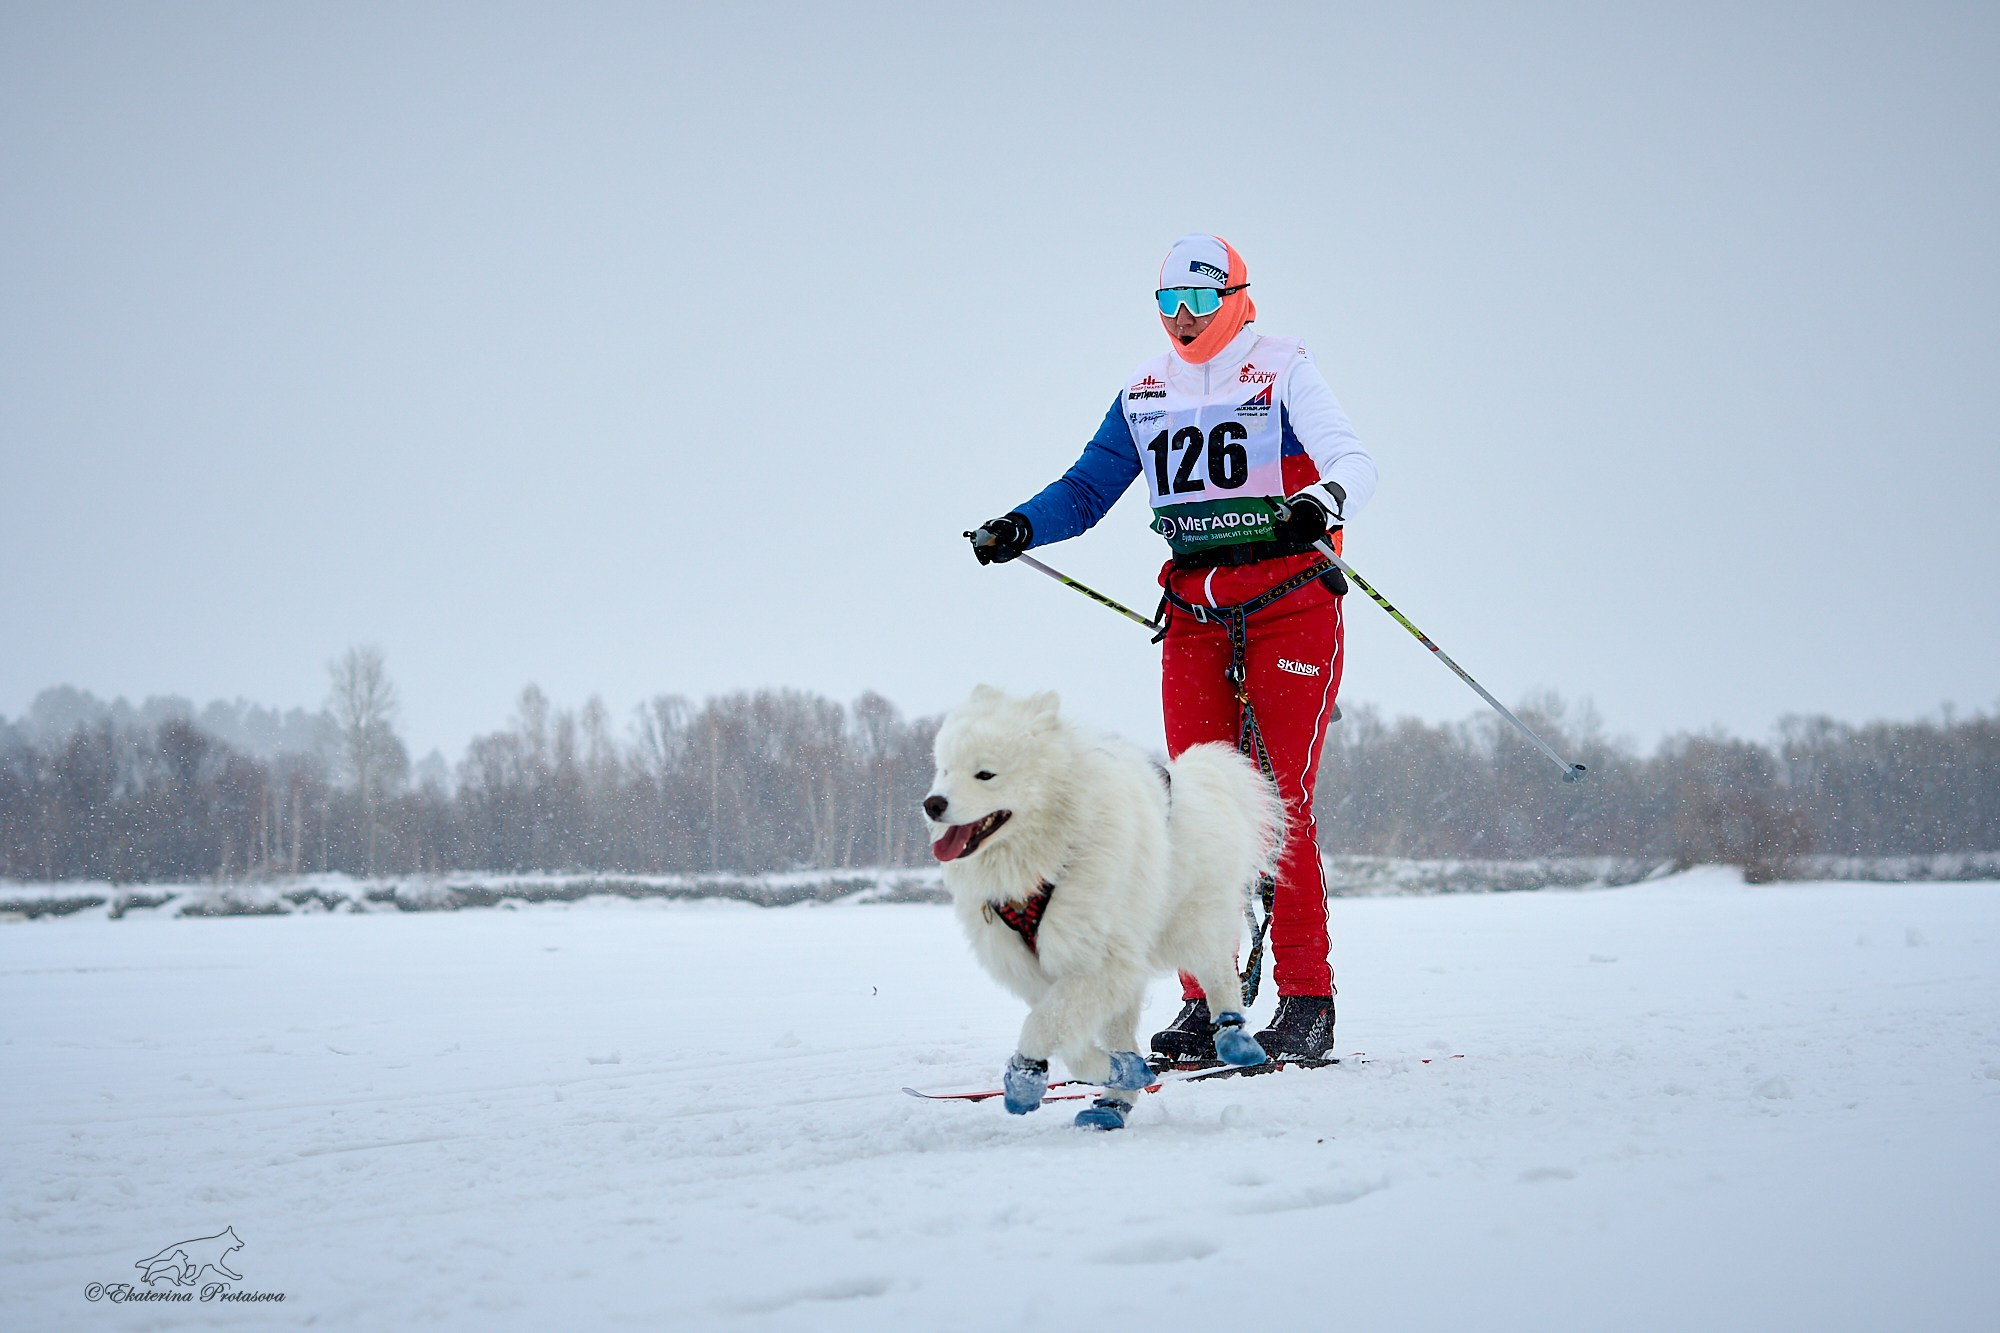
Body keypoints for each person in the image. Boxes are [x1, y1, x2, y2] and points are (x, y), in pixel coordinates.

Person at [965, 233, 1377, 1062]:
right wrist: (1021, 525)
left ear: (1237, 300)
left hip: (1290, 603)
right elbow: (1087, 489)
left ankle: (1307, 998)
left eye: (1200, 301)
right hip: (1195, 610)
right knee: (1188, 806)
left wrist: (1321, 500)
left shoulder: (1283, 368)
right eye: (1169, 303)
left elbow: (1353, 461)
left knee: (1277, 802)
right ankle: (1205, 1000)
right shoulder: (1146, 390)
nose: (1183, 318)